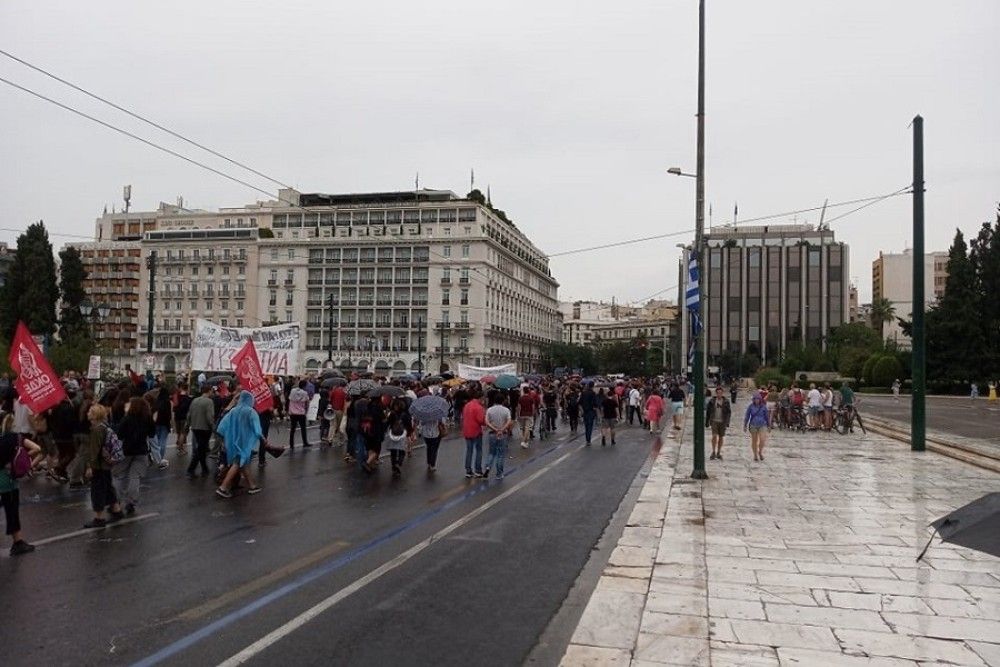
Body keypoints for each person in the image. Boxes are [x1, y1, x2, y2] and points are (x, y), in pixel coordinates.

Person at [0, 421, 41, 555]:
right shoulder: (15, 438)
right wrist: (21, 459)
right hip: (8, 480)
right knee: (12, 510)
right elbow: (37, 448)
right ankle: (18, 542)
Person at [215, 391, 264, 498]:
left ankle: (253, 486)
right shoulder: (251, 412)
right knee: (238, 463)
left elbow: (221, 428)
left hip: (232, 443)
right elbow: (257, 430)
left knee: (243, 463)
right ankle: (223, 488)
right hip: (244, 444)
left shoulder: (233, 411)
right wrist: (264, 440)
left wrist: (224, 441)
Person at [85, 404, 124, 527]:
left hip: (99, 466)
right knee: (107, 487)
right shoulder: (105, 426)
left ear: (95, 415)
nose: (88, 413)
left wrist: (90, 467)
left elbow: (94, 451)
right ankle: (116, 509)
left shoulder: (97, 430)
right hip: (107, 464)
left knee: (97, 490)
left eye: (90, 411)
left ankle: (99, 517)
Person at [114, 397, 154, 516]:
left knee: (119, 476)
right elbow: (152, 433)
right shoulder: (148, 418)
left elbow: (119, 434)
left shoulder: (127, 418)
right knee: (135, 477)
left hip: (126, 450)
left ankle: (116, 501)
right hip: (141, 450)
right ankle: (131, 501)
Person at [187, 384, 215, 477]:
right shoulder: (209, 402)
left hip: (195, 426)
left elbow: (189, 414)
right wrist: (213, 427)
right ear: (209, 391)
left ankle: (204, 468)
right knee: (201, 449)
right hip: (205, 428)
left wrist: (187, 425)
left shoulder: (194, 400)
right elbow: (209, 417)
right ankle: (191, 468)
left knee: (201, 448)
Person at [483, 392, 513, 480]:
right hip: (502, 433)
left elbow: (486, 422)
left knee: (491, 452)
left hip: (492, 433)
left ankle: (488, 467)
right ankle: (499, 473)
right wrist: (502, 429)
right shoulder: (506, 410)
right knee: (500, 454)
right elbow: (509, 421)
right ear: (503, 401)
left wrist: (495, 429)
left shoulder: (489, 410)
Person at [384, 398, 413, 479]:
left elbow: (387, 423)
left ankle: (394, 468)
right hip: (402, 434)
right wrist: (409, 433)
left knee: (393, 452)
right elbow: (409, 425)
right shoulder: (405, 415)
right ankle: (399, 463)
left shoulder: (392, 414)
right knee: (402, 451)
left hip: (393, 434)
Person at [462, 388, 487, 478]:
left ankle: (468, 470)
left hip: (466, 430)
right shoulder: (479, 407)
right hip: (476, 431)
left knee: (469, 450)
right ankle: (478, 470)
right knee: (479, 450)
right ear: (480, 398)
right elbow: (481, 420)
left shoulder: (467, 405)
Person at [705, 387, 732, 460]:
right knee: (714, 436)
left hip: (722, 421)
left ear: (722, 393)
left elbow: (729, 412)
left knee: (721, 437)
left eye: (720, 393)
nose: (719, 394)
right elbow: (708, 412)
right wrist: (707, 422)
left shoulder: (726, 401)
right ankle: (713, 451)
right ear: (716, 393)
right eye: (718, 393)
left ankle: (718, 452)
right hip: (714, 420)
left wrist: (727, 422)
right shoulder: (712, 401)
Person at [743, 393, 770, 462]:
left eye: (758, 399)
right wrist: (745, 425)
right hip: (753, 425)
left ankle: (760, 452)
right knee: (754, 441)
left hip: (762, 425)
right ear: (753, 400)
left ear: (760, 400)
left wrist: (769, 425)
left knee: (762, 439)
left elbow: (767, 417)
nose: (757, 400)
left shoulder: (763, 407)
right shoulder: (751, 407)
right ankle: (755, 455)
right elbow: (747, 416)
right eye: (755, 399)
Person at [287, 380, 311, 449]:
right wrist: (306, 411)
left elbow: (289, 399)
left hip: (293, 412)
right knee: (303, 428)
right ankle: (305, 442)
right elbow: (307, 403)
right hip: (301, 413)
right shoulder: (305, 393)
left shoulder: (293, 391)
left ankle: (291, 444)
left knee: (293, 429)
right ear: (304, 386)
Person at [173, 383, 192, 454]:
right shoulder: (188, 398)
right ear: (186, 389)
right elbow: (189, 409)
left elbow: (174, 407)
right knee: (183, 433)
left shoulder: (176, 396)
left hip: (177, 416)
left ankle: (178, 442)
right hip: (184, 417)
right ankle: (180, 448)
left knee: (178, 432)